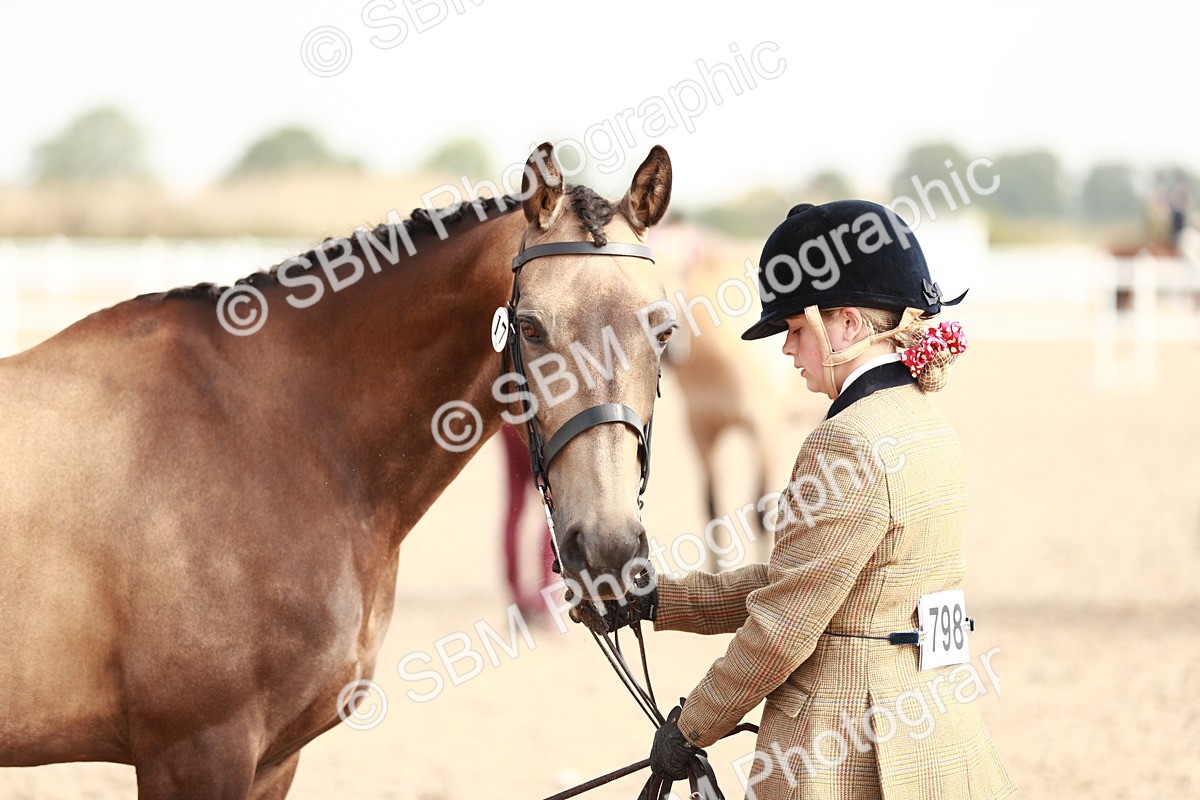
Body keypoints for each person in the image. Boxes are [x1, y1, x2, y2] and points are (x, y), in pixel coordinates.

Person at [598, 200, 1017, 799]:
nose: (789, 351)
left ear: (844, 323)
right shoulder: (924, 420)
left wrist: (693, 728)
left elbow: (785, 625)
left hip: (846, 749)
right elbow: (800, 582)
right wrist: (655, 600)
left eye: (796, 330)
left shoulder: (845, 442)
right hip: (936, 734)